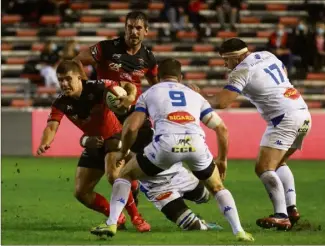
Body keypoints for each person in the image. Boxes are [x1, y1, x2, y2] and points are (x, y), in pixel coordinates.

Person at [90, 58, 254, 242]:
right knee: (217, 187)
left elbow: (132, 127)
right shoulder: (194, 95)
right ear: (180, 77)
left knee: (124, 176)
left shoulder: (150, 93)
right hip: (196, 144)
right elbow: (222, 129)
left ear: (158, 76)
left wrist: (123, 151)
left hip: (166, 145)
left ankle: (112, 222)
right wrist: (222, 159)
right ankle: (239, 230)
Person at [36, 60, 150, 232]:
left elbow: (128, 85)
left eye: (68, 79)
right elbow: (52, 126)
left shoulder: (97, 87)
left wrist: (129, 97)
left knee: (113, 176)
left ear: (79, 77)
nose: (64, 84)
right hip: (93, 143)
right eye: (61, 80)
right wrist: (45, 142)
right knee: (81, 192)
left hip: (113, 136)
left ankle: (137, 218)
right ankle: (116, 216)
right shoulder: (60, 102)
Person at [216, 38, 312, 230]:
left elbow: (222, 103)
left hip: (283, 118)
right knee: (279, 163)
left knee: (264, 168)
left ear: (236, 57)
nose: (225, 64)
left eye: (226, 59)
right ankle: (291, 208)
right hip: (303, 113)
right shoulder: (267, 55)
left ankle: (281, 215)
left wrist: (196, 97)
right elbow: (283, 73)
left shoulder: (241, 71)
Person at [139, 162, 223, 231]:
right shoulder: (133, 145)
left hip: (179, 175)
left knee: (206, 194)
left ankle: (180, 205)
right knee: (194, 226)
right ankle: (197, 221)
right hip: (158, 188)